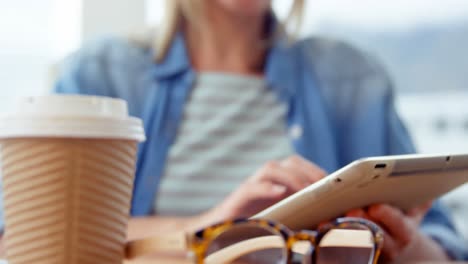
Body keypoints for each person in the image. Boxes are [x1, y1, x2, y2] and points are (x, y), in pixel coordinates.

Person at [3, 0, 466, 262]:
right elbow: (26, 239)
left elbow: (445, 251)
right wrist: (216, 226)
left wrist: (404, 244)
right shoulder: (101, 75)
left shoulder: (349, 78)